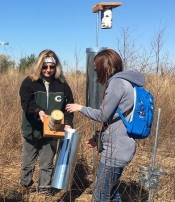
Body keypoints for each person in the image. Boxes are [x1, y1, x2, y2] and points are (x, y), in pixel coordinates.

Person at [66, 49, 145, 202]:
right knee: (112, 192)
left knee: (100, 194)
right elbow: (114, 119)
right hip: (121, 147)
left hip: (115, 152)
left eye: (97, 69)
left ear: (105, 68)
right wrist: (98, 138)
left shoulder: (117, 83)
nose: (96, 74)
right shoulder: (128, 83)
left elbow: (103, 115)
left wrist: (80, 108)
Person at [19, 49, 74, 195]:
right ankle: (25, 187)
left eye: (51, 67)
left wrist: (67, 122)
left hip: (52, 131)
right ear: (39, 66)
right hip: (32, 129)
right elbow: (26, 103)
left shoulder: (62, 85)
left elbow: (69, 107)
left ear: (56, 67)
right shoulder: (29, 83)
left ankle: (43, 191)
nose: (48, 70)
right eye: (44, 66)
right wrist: (39, 112)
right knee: (27, 163)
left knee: (47, 164)